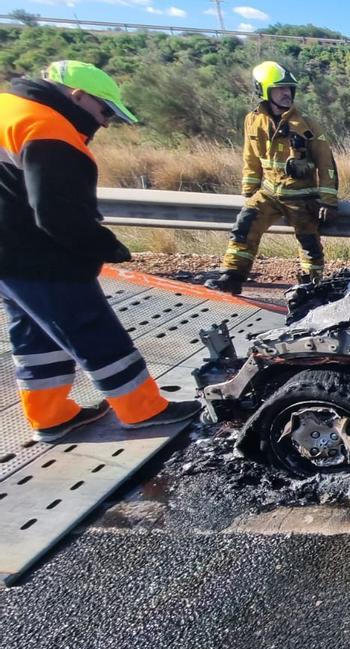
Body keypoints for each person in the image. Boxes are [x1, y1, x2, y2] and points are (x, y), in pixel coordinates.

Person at [0, 60, 201, 442]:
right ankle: (142, 410)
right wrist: (104, 246)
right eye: (104, 111)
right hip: (38, 255)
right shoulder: (49, 129)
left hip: (8, 255)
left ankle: (51, 415)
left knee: (34, 333)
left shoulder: (9, 109)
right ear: (77, 96)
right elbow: (59, 214)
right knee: (91, 327)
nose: (105, 122)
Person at [206, 61, 339, 295]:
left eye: (289, 89)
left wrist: (328, 200)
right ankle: (232, 277)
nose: (287, 93)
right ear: (264, 90)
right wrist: (249, 189)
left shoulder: (306, 124)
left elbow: (326, 163)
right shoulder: (253, 120)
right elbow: (250, 156)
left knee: (309, 244)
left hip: (301, 197)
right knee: (244, 228)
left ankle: (311, 286)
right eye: (280, 89)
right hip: (268, 193)